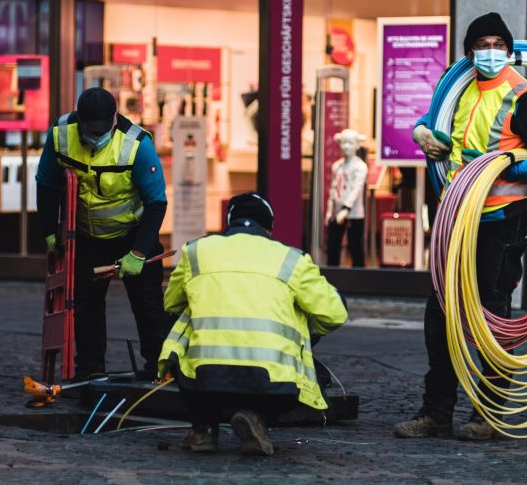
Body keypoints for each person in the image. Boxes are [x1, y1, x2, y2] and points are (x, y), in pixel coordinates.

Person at [394, 11, 527, 441]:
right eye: (481, 44)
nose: (490, 52)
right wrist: (424, 134)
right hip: (456, 218)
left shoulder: (524, 97)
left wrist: (508, 161)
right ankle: (436, 412)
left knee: (491, 316)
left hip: (501, 222)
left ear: (509, 50)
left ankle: (486, 413)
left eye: (497, 44)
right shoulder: (461, 91)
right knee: (441, 318)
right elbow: (453, 143)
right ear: (469, 51)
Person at [158, 192, 348, 455]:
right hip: (273, 382)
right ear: (269, 228)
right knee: (302, 311)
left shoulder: (196, 251)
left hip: (204, 379)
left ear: (228, 223)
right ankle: (256, 416)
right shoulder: (292, 259)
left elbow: (170, 304)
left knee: (182, 320)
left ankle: (204, 429)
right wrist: (300, 328)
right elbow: (336, 313)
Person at [36, 87, 170, 382]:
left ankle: (158, 370)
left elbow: (156, 203)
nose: (95, 136)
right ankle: (90, 371)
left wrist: (139, 252)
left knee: (148, 305)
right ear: (79, 120)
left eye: (102, 129)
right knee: (86, 307)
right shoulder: (61, 134)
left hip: (131, 234)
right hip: (87, 237)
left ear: (114, 118)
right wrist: (48, 230)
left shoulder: (136, 144)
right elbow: (46, 183)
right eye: (89, 130)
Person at [325, 129, 368, 267]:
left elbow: (356, 189)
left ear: (357, 145)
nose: (346, 147)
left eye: (350, 143)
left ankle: (359, 278)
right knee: (333, 246)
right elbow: (333, 189)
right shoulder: (337, 166)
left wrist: (346, 209)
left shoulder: (360, 167)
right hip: (336, 213)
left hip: (354, 214)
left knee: (355, 246)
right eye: (344, 143)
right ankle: (332, 275)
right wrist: (330, 210)